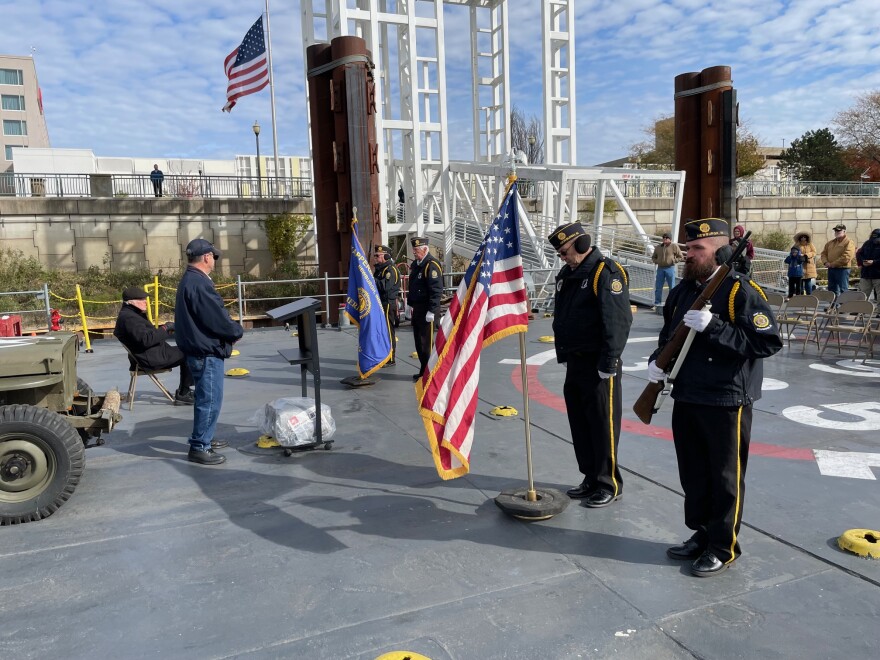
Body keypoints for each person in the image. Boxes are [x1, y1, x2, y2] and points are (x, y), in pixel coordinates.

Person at [648, 217, 782, 577]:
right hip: (688, 393)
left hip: (726, 399)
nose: (687, 254)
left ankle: (723, 546)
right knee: (693, 473)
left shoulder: (741, 291)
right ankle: (702, 532)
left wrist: (716, 327)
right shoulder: (683, 290)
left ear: (720, 252)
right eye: (687, 248)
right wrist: (656, 365)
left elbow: (766, 342)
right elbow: (669, 336)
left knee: (724, 478)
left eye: (696, 249)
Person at [549, 222, 633, 508]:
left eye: (565, 251)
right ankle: (590, 477)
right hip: (576, 361)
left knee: (603, 424)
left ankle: (609, 482)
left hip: (599, 364)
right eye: (560, 254)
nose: (563, 257)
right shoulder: (568, 274)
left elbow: (617, 320)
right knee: (581, 423)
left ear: (581, 245)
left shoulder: (606, 273)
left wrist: (609, 361)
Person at [174, 238, 243, 465]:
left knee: (207, 398)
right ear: (205, 257)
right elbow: (216, 318)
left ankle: (206, 437)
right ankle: (200, 446)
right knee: (210, 399)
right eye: (213, 256)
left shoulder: (189, 280)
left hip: (197, 350)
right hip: (206, 352)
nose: (214, 260)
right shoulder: (200, 283)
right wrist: (235, 331)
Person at [113, 286, 194, 405]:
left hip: (148, 354)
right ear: (131, 302)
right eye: (142, 299)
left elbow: (146, 336)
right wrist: (165, 328)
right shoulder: (130, 318)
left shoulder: (130, 314)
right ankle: (184, 393)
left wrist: (165, 329)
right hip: (151, 358)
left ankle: (184, 390)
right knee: (190, 352)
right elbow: (146, 339)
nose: (146, 302)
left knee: (187, 348)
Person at [407, 236, 443, 381]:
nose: (414, 252)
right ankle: (424, 369)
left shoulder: (431, 265)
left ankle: (430, 372)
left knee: (426, 343)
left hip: (427, 309)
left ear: (424, 249)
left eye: (416, 250)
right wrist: (409, 304)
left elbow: (436, 290)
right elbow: (414, 286)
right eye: (413, 249)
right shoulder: (417, 265)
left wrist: (432, 310)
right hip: (418, 308)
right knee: (418, 341)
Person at [373, 244, 400, 365]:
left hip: (387, 303)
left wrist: (372, 280)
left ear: (386, 256)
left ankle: (391, 357)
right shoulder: (380, 270)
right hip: (380, 303)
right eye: (375, 256)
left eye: (378, 256)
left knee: (389, 331)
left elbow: (386, 287)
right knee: (382, 330)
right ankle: (384, 354)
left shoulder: (390, 270)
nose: (376, 258)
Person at [820, 224, 856, 296]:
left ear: (844, 231)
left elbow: (847, 256)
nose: (837, 232)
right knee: (832, 289)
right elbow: (823, 254)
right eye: (835, 230)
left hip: (842, 269)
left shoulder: (849, 242)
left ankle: (844, 306)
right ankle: (833, 306)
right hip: (831, 269)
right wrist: (825, 262)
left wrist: (832, 264)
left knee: (843, 289)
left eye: (839, 230)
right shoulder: (830, 243)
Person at [651, 232, 683, 309]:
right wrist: (657, 261)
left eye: (666, 238)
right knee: (658, 287)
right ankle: (657, 303)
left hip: (670, 268)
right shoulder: (658, 247)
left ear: (670, 239)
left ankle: (671, 303)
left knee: (671, 287)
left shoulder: (674, 246)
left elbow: (681, 257)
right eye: (664, 238)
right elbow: (653, 257)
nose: (664, 239)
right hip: (660, 269)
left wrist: (673, 261)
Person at [856, 229, 880, 301]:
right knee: (862, 294)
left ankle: (878, 311)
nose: (875, 240)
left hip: (878, 275)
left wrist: (874, 262)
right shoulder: (867, 243)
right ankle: (860, 309)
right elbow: (859, 254)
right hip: (866, 274)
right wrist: (862, 261)